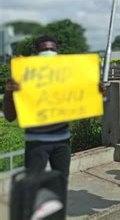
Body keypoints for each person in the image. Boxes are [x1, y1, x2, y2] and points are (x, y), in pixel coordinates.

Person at [3, 35, 104, 218]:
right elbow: (10, 116)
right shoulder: (24, 77)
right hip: (36, 143)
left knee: (60, 185)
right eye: (43, 50)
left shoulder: (68, 77)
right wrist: (9, 93)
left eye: (51, 50)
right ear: (35, 53)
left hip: (62, 143)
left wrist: (95, 93)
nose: (47, 53)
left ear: (58, 53)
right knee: (32, 187)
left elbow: (91, 109)